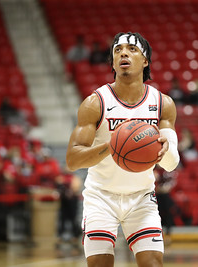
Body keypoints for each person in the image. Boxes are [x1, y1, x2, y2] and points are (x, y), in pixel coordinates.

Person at [66, 32, 180, 267]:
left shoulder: (162, 104)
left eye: (132, 49)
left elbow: (170, 163)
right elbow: (72, 161)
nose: (123, 53)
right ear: (113, 62)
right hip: (101, 197)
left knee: (153, 264)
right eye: (118, 50)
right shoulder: (95, 103)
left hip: (141, 197)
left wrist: (165, 150)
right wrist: (112, 146)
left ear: (145, 60)